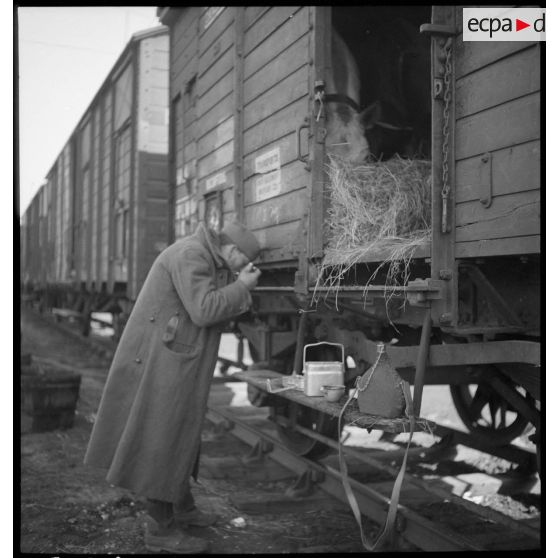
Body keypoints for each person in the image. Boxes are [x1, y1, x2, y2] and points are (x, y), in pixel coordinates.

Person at [84, 219, 262, 553]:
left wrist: (236, 287)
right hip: (162, 360)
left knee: (180, 430)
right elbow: (204, 309)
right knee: (162, 436)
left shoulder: (203, 255)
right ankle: (159, 530)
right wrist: (244, 287)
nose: (249, 268)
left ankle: (182, 506)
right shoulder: (191, 255)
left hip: (175, 355)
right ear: (233, 251)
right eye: (248, 261)